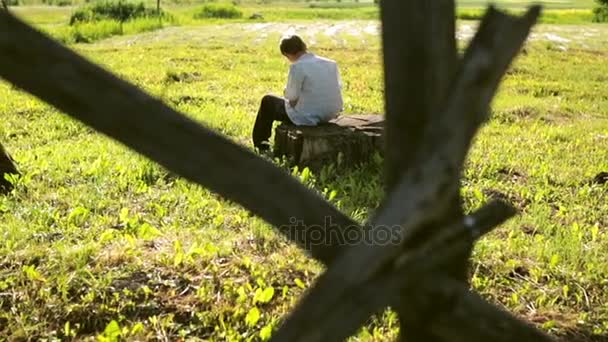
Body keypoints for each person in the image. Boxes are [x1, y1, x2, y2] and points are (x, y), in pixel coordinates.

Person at [252, 35, 344, 152]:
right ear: (303, 46)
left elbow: (291, 96)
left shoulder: (297, 66)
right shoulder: (331, 63)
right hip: (331, 113)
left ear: (287, 54)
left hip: (307, 117)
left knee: (268, 101)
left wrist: (286, 92)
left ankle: (261, 144)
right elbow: (338, 87)